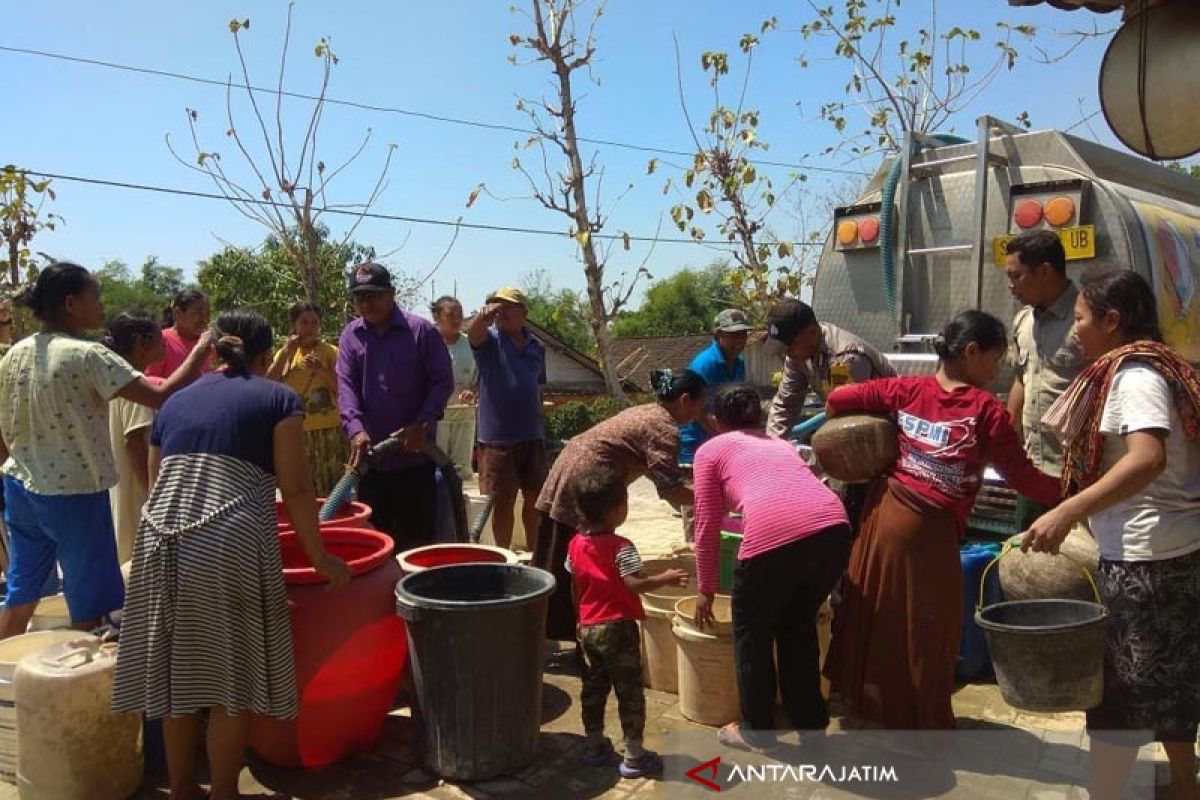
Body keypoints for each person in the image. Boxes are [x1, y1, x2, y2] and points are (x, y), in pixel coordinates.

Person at [112, 309, 351, 800]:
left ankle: (182, 788)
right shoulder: (277, 395)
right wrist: (321, 557)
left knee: (177, 677)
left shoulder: (174, 402)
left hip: (159, 540)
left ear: (216, 352)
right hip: (228, 538)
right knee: (231, 680)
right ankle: (224, 791)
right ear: (265, 357)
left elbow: (156, 485)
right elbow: (298, 485)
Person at [822, 310, 1060, 730]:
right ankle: (917, 719)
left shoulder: (907, 389)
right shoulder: (986, 410)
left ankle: (872, 705)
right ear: (971, 352)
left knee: (880, 617)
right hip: (927, 534)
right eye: (994, 359)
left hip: (884, 519)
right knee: (931, 628)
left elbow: (839, 400)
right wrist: (1075, 495)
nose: (995, 370)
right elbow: (1022, 477)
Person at [1021, 269, 1200, 800]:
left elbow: (1147, 459)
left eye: (1080, 318)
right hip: (1178, 549)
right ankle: (1186, 786)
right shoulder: (1161, 367)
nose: (1074, 329)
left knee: (1116, 694)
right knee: (1173, 683)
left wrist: (1065, 511)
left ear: (1113, 321)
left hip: (1144, 560)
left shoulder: (1134, 377)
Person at [0, 263, 212, 638]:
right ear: (70, 303)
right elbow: (159, 396)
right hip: (73, 492)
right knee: (92, 607)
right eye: (94, 296)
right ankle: (81, 684)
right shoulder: (87, 354)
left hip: (20, 486)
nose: (101, 305)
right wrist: (199, 354)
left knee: (22, 596)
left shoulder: (15, 353)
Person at [692, 383, 852, 753]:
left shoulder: (711, 450)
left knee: (753, 638)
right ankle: (811, 727)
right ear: (758, 418)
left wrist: (706, 588)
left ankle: (758, 733)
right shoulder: (779, 445)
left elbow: (706, 524)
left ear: (716, 421)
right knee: (798, 628)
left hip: (774, 538)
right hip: (832, 530)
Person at [536, 369, 706, 644]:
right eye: (700, 405)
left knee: (558, 559)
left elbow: (662, 472)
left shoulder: (649, 412)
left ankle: (554, 630)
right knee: (586, 563)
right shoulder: (665, 429)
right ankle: (585, 634)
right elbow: (671, 491)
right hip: (587, 483)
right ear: (686, 399)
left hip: (569, 468)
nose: (700, 413)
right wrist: (711, 499)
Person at [565, 464, 689, 779]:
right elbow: (634, 584)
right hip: (618, 627)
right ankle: (634, 755)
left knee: (593, 688)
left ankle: (593, 745)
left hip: (588, 627)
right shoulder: (623, 548)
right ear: (617, 511)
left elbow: (575, 583)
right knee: (629, 691)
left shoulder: (575, 545)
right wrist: (667, 577)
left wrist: (579, 618)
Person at [336, 262, 454, 553]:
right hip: (370, 462)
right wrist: (355, 430)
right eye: (360, 297)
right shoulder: (351, 336)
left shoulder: (421, 332)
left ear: (392, 293)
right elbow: (346, 387)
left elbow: (442, 383)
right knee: (374, 549)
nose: (367, 303)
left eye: (374, 295)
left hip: (415, 462)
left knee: (416, 552)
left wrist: (421, 423)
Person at [1004, 230, 1088, 529]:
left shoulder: (1087, 321)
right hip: (1034, 469)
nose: (1010, 286)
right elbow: (1021, 379)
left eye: (1017, 276)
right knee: (1023, 559)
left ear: (1044, 271)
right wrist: (1006, 432)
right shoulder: (1024, 321)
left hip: (1078, 475)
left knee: (1077, 567)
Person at [468, 287, 547, 551]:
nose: (500, 311)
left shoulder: (537, 346)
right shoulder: (489, 341)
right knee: (502, 501)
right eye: (496, 306)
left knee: (536, 498)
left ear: (523, 313)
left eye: (507, 306)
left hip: (532, 435)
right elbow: (473, 334)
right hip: (497, 439)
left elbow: (538, 385)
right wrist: (482, 317)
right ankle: (503, 555)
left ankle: (535, 552)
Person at [762, 298, 896, 439]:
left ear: (812, 332)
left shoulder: (844, 359)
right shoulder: (797, 355)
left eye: (790, 346)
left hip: (880, 427)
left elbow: (847, 417)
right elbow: (786, 403)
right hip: (850, 424)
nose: (786, 353)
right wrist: (772, 446)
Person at [267, 301, 348, 497]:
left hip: (328, 428)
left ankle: (331, 522)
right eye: (304, 322)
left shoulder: (331, 352)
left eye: (314, 322)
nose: (310, 327)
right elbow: (269, 382)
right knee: (303, 484)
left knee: (332, 484)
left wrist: (322, 369)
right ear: (294, 325)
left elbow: (342, 389)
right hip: (298, 430)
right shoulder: (285, 353)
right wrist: (286, 352)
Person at [104, 312, 165, 563]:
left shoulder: (114, 379)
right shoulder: (135, 383)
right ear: (142, 342)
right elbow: (135, 443)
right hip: (135, 495)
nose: (164, 344)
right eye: (160, 338)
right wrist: (153, 499)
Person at [678, 309, 751, 465]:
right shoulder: (704, 365)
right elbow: (697, 411)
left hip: (720, 438)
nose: (740, 339)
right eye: (733, 334)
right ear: (718, 335)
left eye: (743, 333)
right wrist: (729, 437)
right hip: (694, 443)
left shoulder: (739, 363)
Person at [431, 295, 477, 480]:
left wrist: (472, 391)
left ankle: (459, 506)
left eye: (460, 314)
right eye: (451, 315)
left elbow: (480, 379)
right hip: (436, 417)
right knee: (435, 466)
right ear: (437, 317)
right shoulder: (428, 343)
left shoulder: (472, 345)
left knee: (461, 469)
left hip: (464, 416)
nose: (457, 319)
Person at [145, 288, 212, 379]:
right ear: (178, 313)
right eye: (198, 313)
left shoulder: (210, 344)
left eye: (207, 314)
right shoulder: (161, 340)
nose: (204, 319)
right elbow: (150, 381)